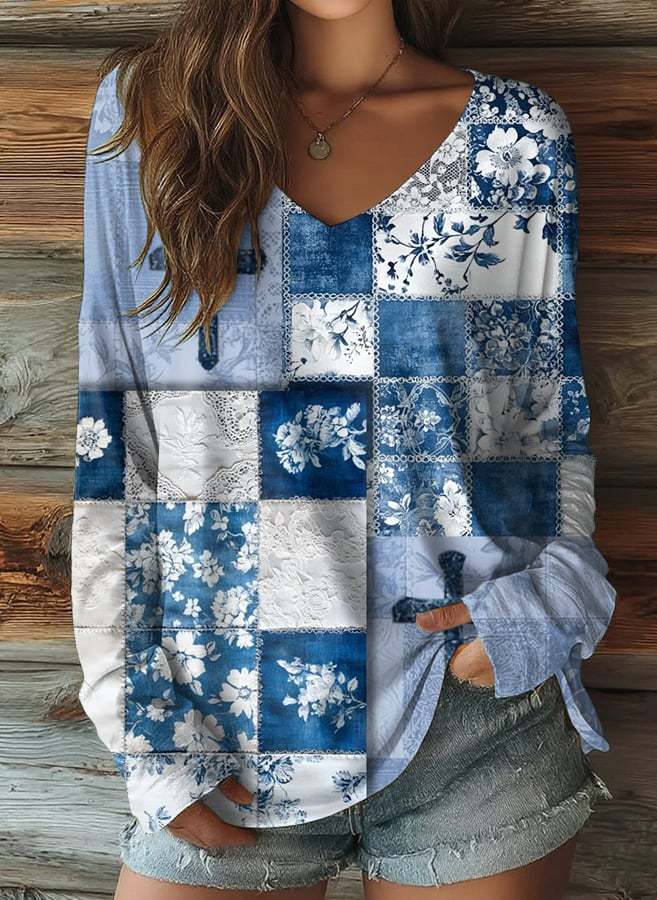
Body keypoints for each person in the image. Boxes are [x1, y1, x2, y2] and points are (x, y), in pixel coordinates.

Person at [70, 0, 616, 896]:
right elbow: (111, 431)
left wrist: (552, 599)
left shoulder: (516, 134)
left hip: (469, 707)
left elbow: (539, 419)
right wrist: (140, 718)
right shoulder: (156, 113)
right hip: (225, 718)